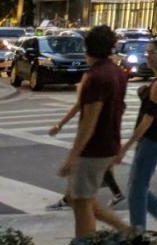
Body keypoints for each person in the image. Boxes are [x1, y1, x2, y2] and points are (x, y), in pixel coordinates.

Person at [58, 24, 129, 238]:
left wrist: (72, 156)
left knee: (80, 203)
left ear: (87, 47)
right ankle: (126, 231)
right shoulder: (117, 72)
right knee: (77, 197)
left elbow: (89, 121)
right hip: (109, 144)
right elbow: (120, 109)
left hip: (93, 149)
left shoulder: (95, 77)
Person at [116, 39, 157, 231]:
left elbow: (148, 119)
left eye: (152, 52)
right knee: (137, 187)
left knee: (136, 190)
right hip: (154, 138)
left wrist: (126, 146)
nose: (147, 56)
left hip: (153, 139)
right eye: (147, 52)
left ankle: (138, 234)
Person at [47, 75, 125, 209]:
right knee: (99, 166)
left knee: (80, 166)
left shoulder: (92, 82)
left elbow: (77, 106)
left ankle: (71, 200)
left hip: (93, 133)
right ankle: (115, 193)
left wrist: (59, 125)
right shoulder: (107, 81)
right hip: (102, 133)